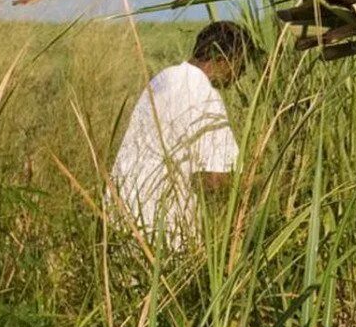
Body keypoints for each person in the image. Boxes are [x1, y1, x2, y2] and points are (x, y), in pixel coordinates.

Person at [108, 21, 254, 249]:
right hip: (160, 234)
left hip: (122, 221)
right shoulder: (203, 92)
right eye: (241, 65)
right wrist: (264, 183)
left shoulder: (163, 79)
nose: (241, 75)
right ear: (224, 59)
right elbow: (213, 181)